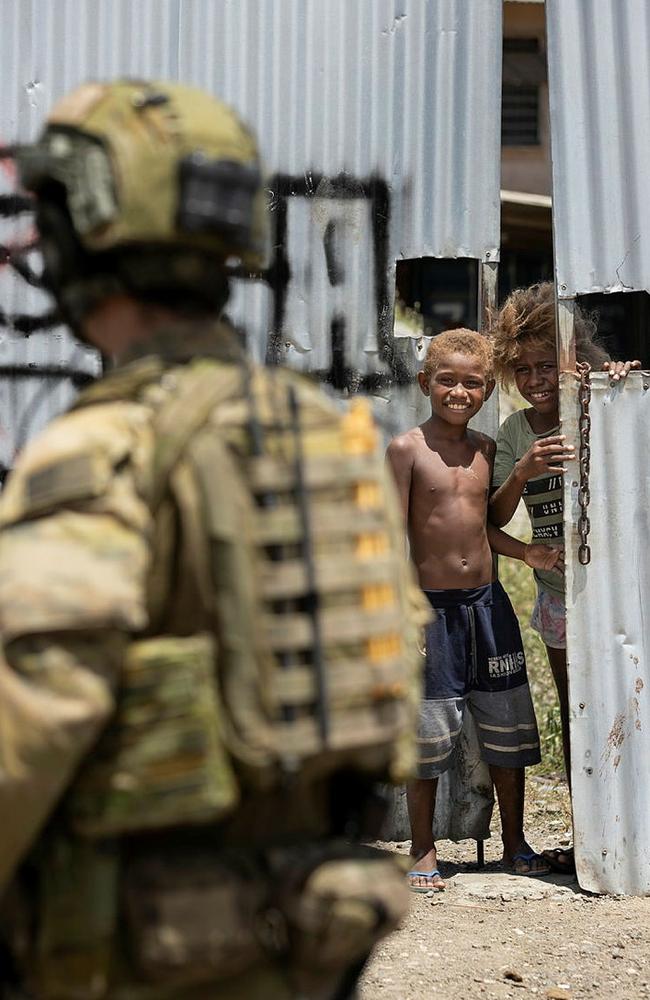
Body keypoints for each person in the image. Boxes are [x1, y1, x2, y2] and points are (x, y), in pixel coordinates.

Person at [0, 80, 425, 1000]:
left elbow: (32, 719)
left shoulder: (108, 446)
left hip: (133, 951)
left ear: (85, 233)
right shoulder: (325, 431)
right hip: (297, 940)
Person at [387, 328, 563, 892]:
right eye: (447, 381)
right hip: (430, 611)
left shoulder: (487, 449)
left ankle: (515, 843)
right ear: (424, 384)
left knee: (507, 721)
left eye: (471, 384)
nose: (458, 392)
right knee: (429, 730)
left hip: (489, 607)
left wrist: (527, 548)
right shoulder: (407, 449)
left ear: (487, 390)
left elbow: (490, 525)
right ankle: (422, 849)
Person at [489, 281, 640, 875]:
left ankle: (634, 831)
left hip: (620, 594)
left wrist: (619, 385)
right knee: (580, 715)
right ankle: (590, 843)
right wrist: (523, 472)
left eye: (547, 365)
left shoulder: (606, 397)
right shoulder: (515, 433)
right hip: (558, 596)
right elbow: (494, 517)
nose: (535, 380)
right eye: (522, 370)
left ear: (575, 358)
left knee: (627, 707)